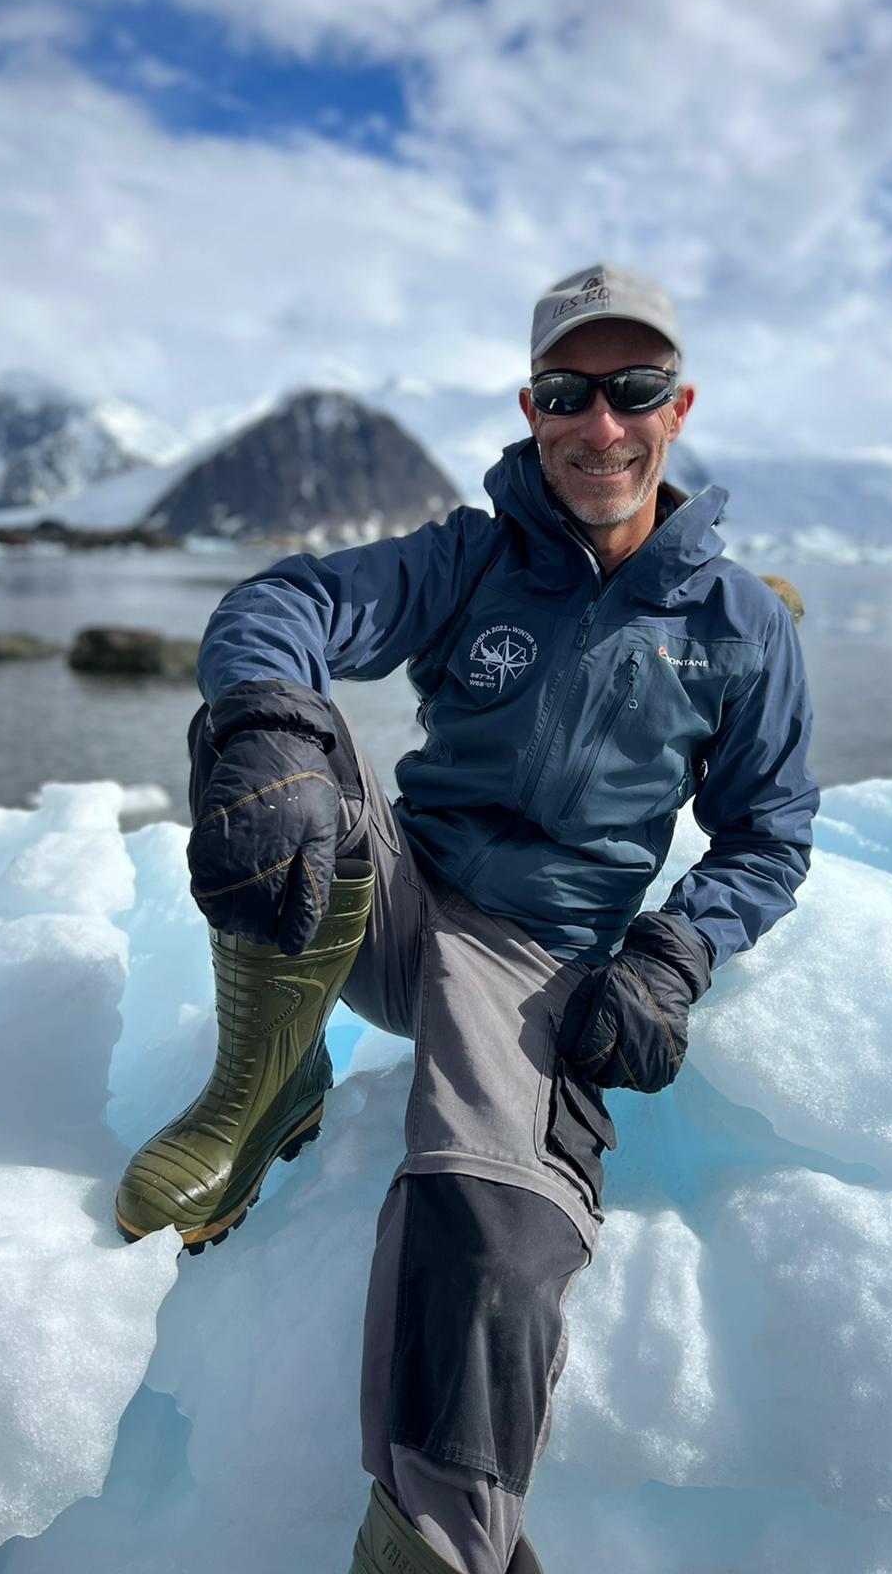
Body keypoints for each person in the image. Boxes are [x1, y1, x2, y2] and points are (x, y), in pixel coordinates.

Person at [115, 262, 820, 1574]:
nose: (599, 423)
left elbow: (768, 835)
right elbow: (289, 605)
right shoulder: (473, 554)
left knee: (491, 1220)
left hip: (533, 952)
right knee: (284, 743)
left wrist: (675, 951)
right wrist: (265, 722)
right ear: (532, 405)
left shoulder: (738, 625)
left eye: (633, 390)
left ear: (679, 408)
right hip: (395, 897)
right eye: (568, 392)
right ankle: (257, 1092)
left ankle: (434, 1541)